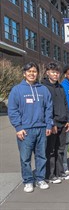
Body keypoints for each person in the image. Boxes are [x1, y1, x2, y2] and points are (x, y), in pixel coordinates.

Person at [8, 62, 53, 192]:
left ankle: (40, 179)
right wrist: (18, 127)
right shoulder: (17, 90)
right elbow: (12, 110)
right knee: (25, 158)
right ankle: (28, 180)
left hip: (41, 128)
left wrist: (48, 125)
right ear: (24, 74)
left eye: (34, 71)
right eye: (29, 71)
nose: (32, 74)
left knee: (41, 156)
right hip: (25, 130)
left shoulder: (43, 89)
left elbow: (48, 108)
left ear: (37, 73)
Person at [42, 62, 69, 184]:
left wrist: (68, 120)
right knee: (51, 150)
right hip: (52, 123)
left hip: (63, 123)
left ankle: (60, 172)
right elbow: (44, 108)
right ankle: (50, 174)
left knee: (60, 149)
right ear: (47, 72)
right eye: (53, 72)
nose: (55, 74)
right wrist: (51, 123)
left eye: (57, 72)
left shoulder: (60, 87)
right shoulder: (43, 87)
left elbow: (66, 104)